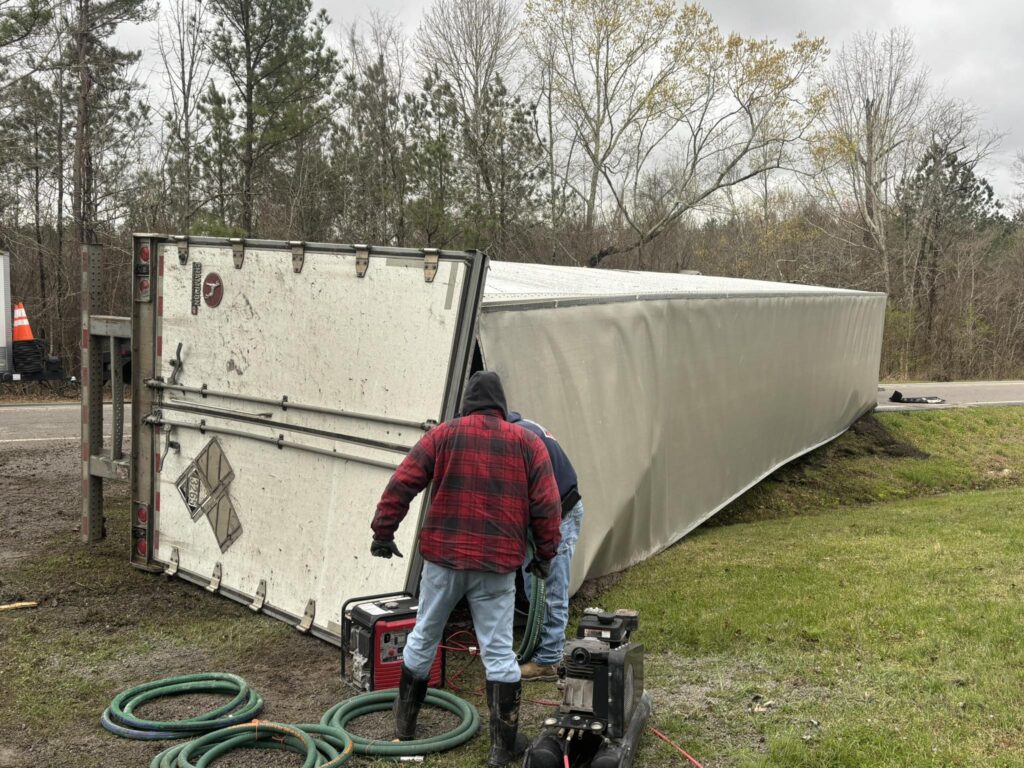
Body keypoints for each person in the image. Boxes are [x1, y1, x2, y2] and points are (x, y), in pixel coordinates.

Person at [370, 371, 562, 767]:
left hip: (443, 561)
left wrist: (383, 532)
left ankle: (405, 730)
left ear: (467, 403)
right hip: (496, 566)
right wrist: (545, 555)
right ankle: (501, 750)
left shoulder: (443, 435)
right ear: (501, 405)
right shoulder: (527, 443)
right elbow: (547, 504)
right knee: (498, 651)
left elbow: (402, 482)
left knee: (424, 635)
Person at [507, 411, 584, 682]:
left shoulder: (519, 439)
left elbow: (541, 497)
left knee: (549, 589)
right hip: (547, 512)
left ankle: (549, 660)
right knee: (534, 588)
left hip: (558, 514)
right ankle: (539, 648)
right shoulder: (521, 428)